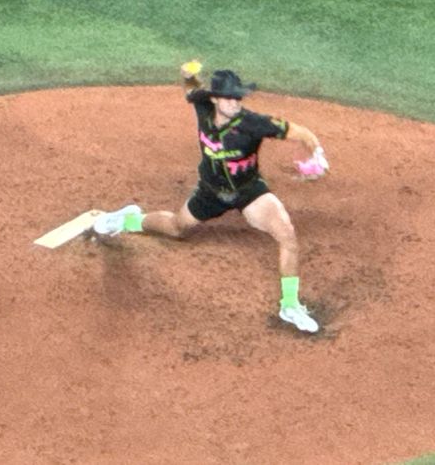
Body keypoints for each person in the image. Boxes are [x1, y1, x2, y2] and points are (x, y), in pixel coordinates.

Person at [93, 61, 330, 333]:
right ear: (215, 99)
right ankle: (126, 220)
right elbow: (192, 90)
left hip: (249, 192)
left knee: (286, 234)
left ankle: (290, 306)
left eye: (237, 97)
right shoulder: (204, 109)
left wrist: (317, 155)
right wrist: (189, 76)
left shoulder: (253, 123)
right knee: (176, 228)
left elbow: (300, 132)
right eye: (229, 97)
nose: (235, 102)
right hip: (210, 192)